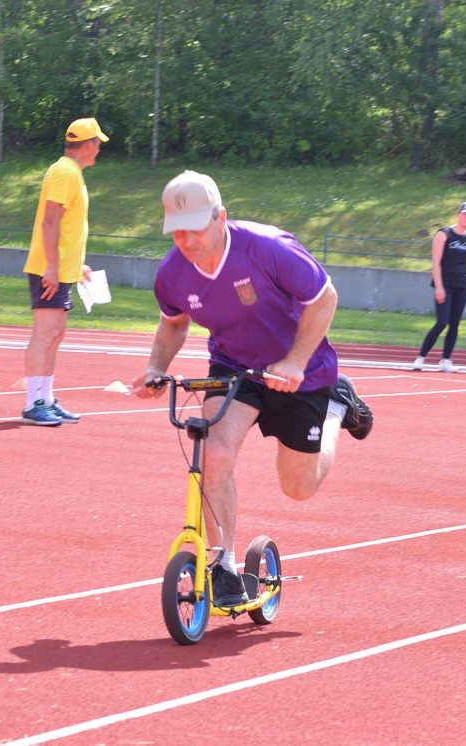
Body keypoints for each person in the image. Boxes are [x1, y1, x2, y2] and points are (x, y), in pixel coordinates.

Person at [131, 170, 374, 606]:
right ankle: (223, 564)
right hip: (234, 366)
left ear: (220, 218)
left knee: (298, 488)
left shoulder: (268, 248)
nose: (187, 240)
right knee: (214, 452)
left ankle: (338, 405)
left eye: (195, 228)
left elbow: (325, 298)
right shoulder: (172, 273)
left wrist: (295, 361)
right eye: (177, 231)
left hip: (302, 372)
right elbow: (173, 323)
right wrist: (155, 367)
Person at [20, 117, 107, 426]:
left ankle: (46, 399)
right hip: (49, 271)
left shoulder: (70, 173)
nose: (99, 150)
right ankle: (33, 403)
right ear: (88, 146)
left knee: (55, 336)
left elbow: (66, 227)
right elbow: (49, 222)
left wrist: (73, 265)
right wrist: (52, 267)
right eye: (97, 144)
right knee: (44, 335)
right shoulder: (65, 173)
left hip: (61, 270)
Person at [411, 202, 466, 373]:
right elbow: (435, 262)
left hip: (462, 284)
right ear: (458, 214)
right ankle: (421, 357)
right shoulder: (444, 234)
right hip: (444, 283)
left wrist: (465, 264)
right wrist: (439, 287)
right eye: (465, 214)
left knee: (455, 323)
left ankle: (446, 360)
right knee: (442, 322)